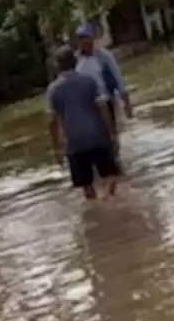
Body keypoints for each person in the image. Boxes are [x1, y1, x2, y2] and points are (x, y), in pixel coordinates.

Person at [47, 46, 120, 199]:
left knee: (86, 186)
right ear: (75, 62)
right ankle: (108, 200)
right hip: (97, 138)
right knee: (110, 176)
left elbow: (52, 122)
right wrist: (112, 133)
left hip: (74, 145)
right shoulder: (90, 82)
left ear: (57, 66)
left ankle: (97, 211)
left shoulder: (53, 90)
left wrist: (56, 149)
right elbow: (103, 110)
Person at [73, 24, 133, 130]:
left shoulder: (105, 57)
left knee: (111, 133)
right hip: (87, 105)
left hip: (106, 100)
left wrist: (126, 104)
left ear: (92, 38)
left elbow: (118, 79)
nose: (84, 41)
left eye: (87, 37)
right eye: (81, 38)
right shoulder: (75, 60)